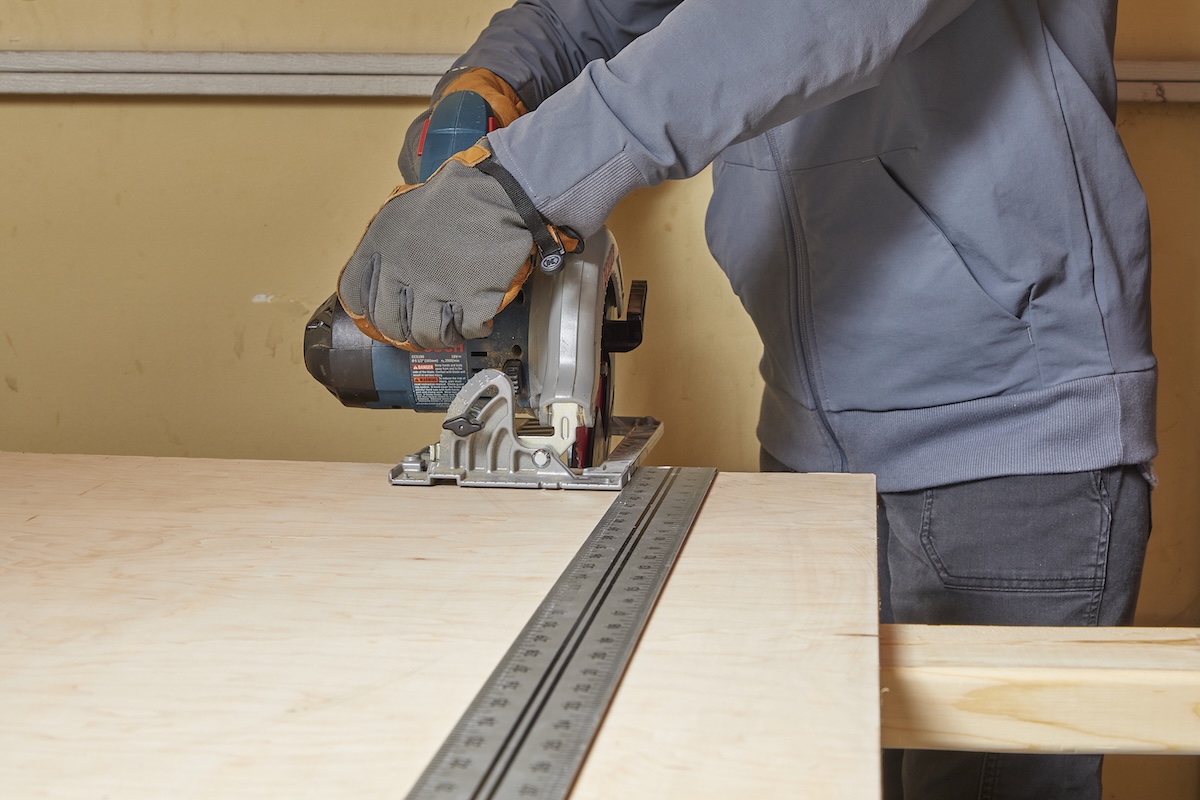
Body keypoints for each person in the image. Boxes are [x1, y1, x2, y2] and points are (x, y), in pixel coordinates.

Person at [335, 2, 1155, 797]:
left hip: (1011, 440)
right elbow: (589, 12)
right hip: (812, 430)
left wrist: (524, 183)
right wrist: (492, 86)